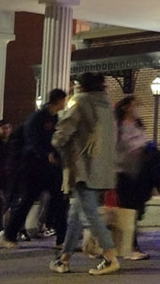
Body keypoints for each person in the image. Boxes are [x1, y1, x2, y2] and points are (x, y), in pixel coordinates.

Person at [49, 72, 120, 275]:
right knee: (76, 215)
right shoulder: (106, 105)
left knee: (89, 214)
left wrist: (57, 143)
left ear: (82, 86)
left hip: (82, 166)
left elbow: (64, 132)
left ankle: (109, 256)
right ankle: (64, 258)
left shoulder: (79, 102)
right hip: (102, 167)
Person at [1, 88, 67, 248]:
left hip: (50, 167)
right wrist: (46, 154)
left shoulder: (55, 118)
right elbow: (31, 140)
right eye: (64, 100)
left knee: (59, 201)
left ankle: (62, 239)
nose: (65, 103)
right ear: (58, 100)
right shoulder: (37, 118)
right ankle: (9, 235)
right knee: (27, 201)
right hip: (33, 167)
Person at [113, 95, 152, 261]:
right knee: (127, 210)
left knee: (135, 210)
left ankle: (126, 244)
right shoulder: (118, 126)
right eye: (135, 105)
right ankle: (131, 246)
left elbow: (143, 143)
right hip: (123, 172)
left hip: (138, 173)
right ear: (126, 107)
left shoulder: (138, 125)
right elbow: (114, 149)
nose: (137, 108)